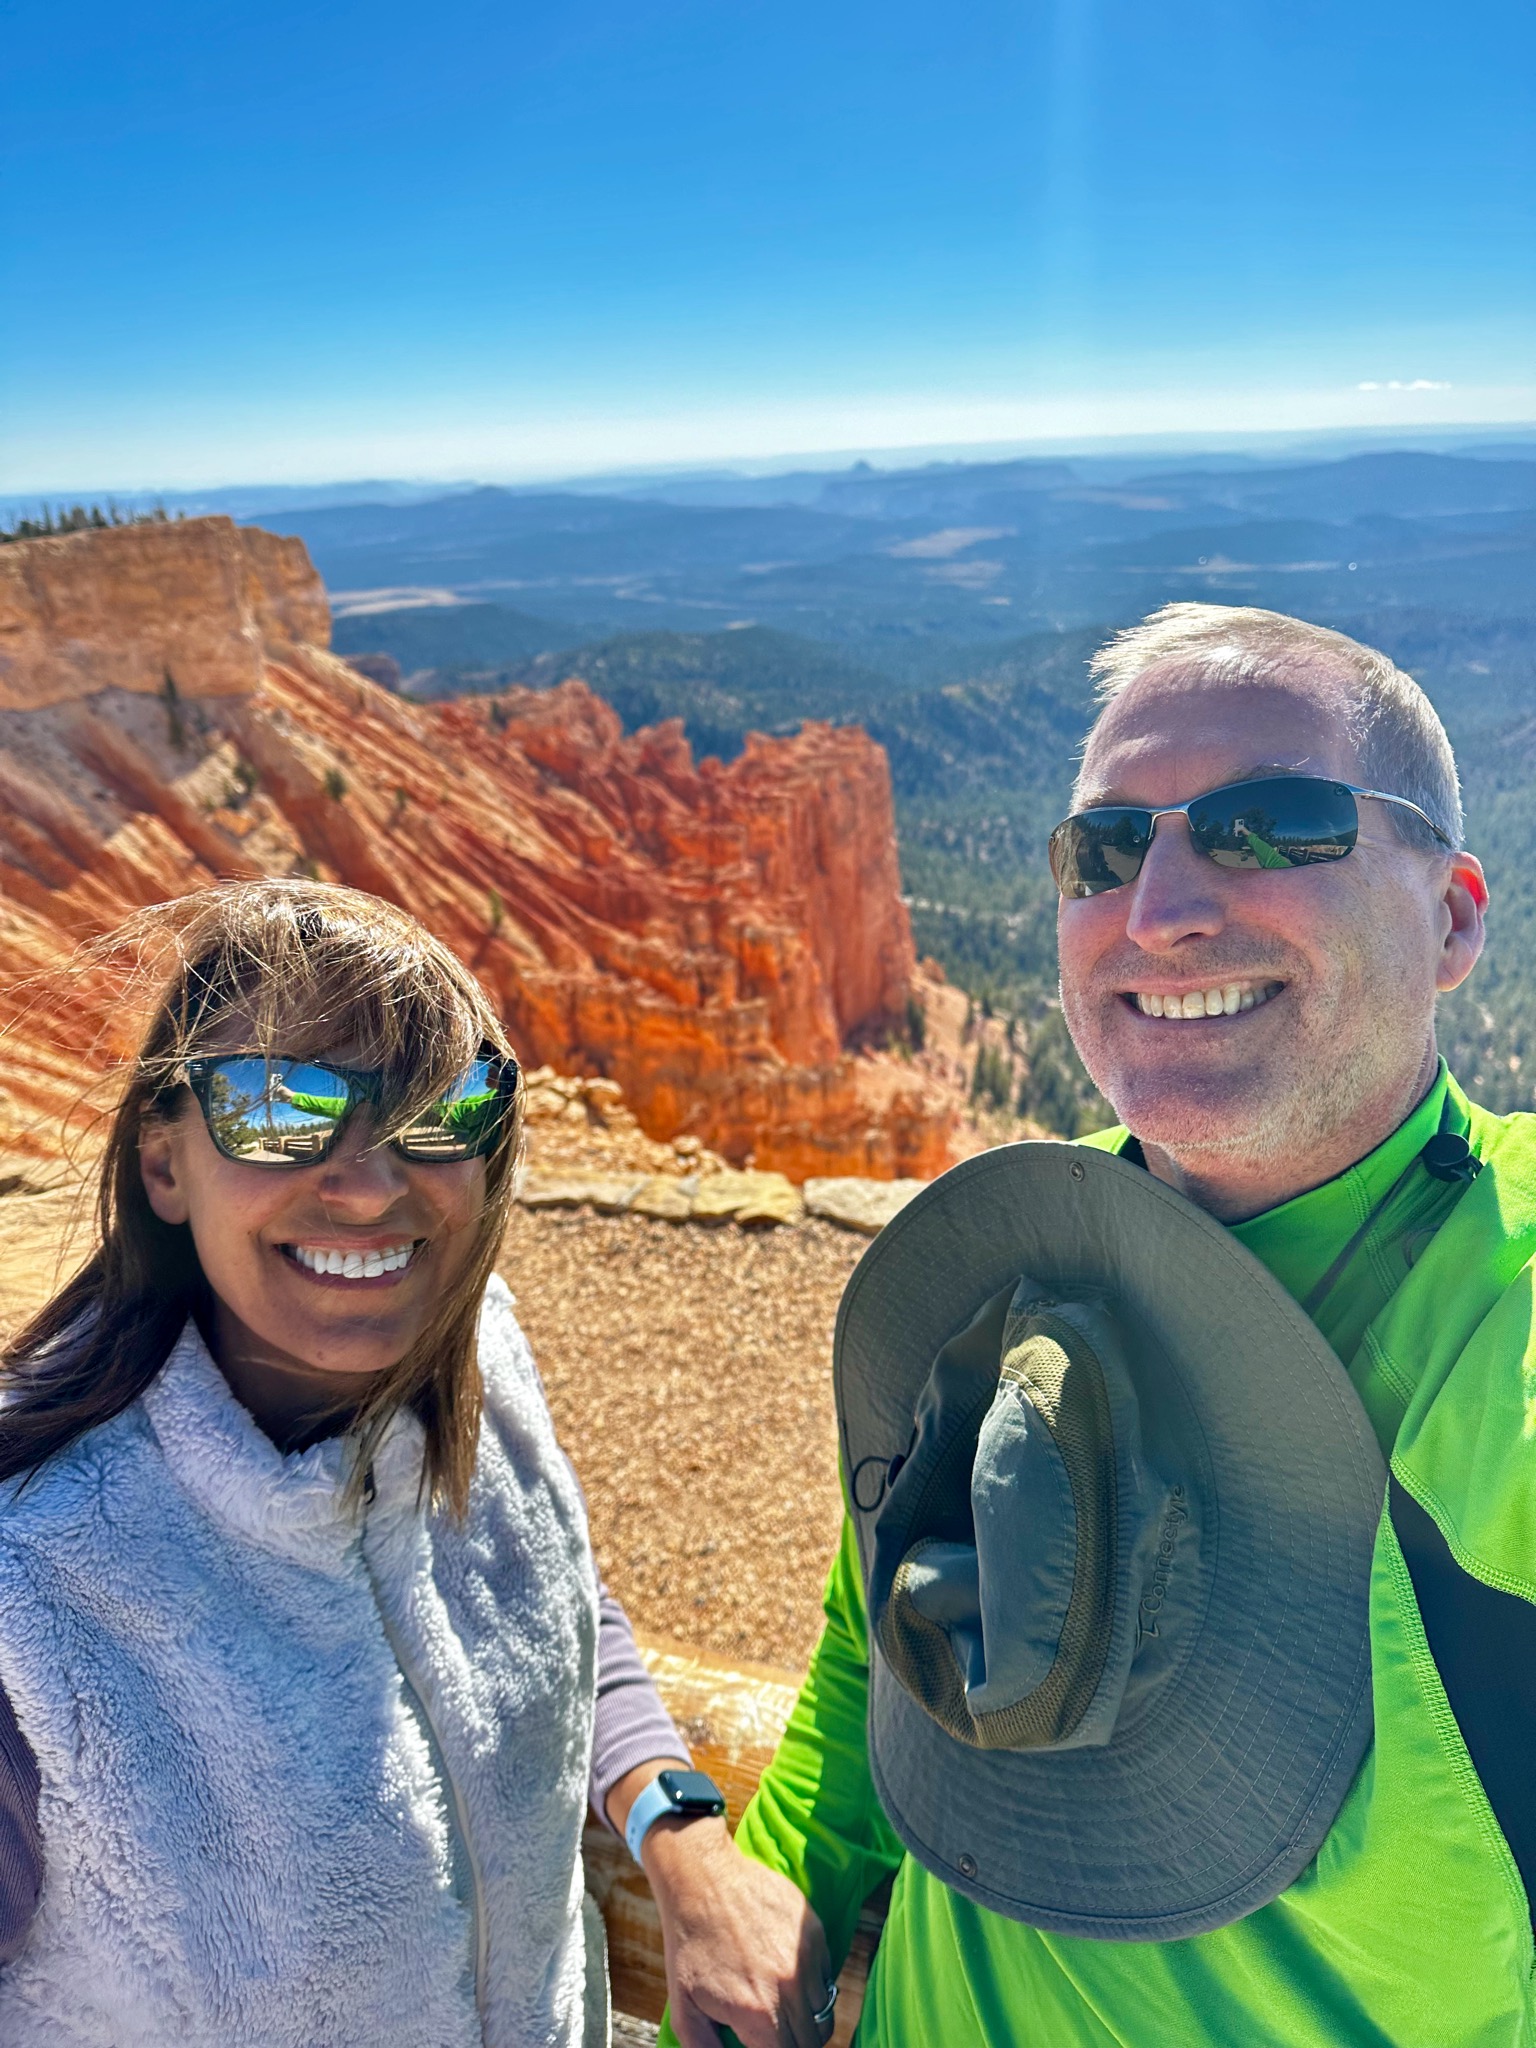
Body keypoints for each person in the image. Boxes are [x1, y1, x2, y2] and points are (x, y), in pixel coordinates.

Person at [657, 602, 1536, 2048]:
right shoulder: (1005, 1256)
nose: (1161, 909)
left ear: (1452, 918)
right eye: (1107, 849)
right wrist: (788, 1868)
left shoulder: (1497, 1337)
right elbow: (868, 1626)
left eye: (1271, 826)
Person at [0, 879, 729, 2047]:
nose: (373, 1180)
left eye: (442, 1109)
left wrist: (687, 1847)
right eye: (282, 1107)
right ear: (164, 1163)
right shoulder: (32, 1586)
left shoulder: (479, 1349)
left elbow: (550, 1591)